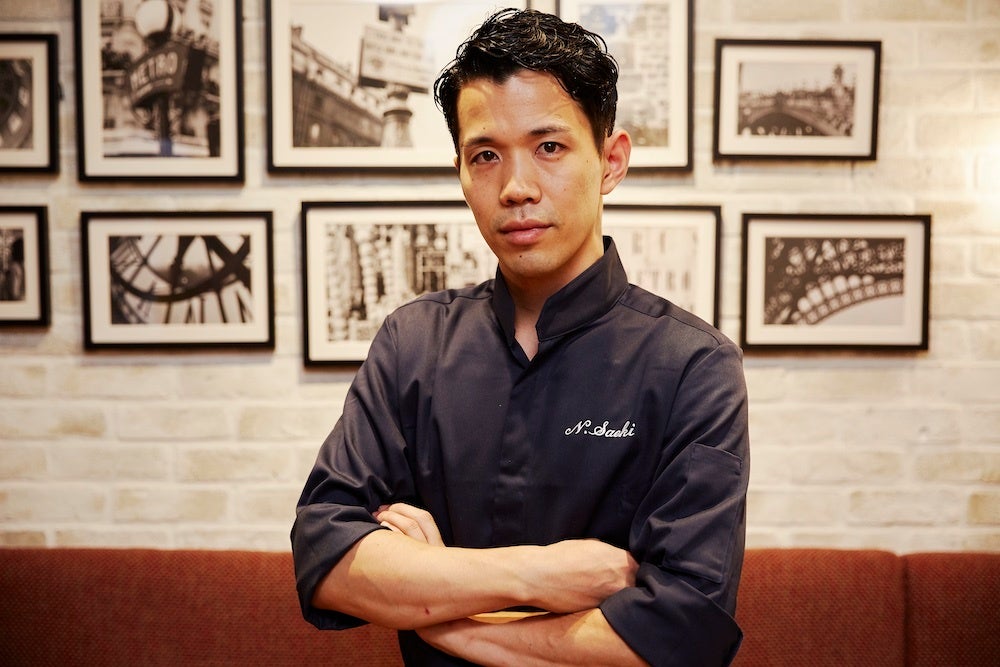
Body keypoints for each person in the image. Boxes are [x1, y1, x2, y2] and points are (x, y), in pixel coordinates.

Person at [291, 8, 750, 666]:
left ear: (611, 161)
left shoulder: (692, 366)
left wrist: (441, 619)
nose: (516, 187)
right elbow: (325, 555)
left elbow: (681, 631)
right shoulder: (412, 344)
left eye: (549, 147)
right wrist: (537, 575)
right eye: (486, 156)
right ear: (460, 172)